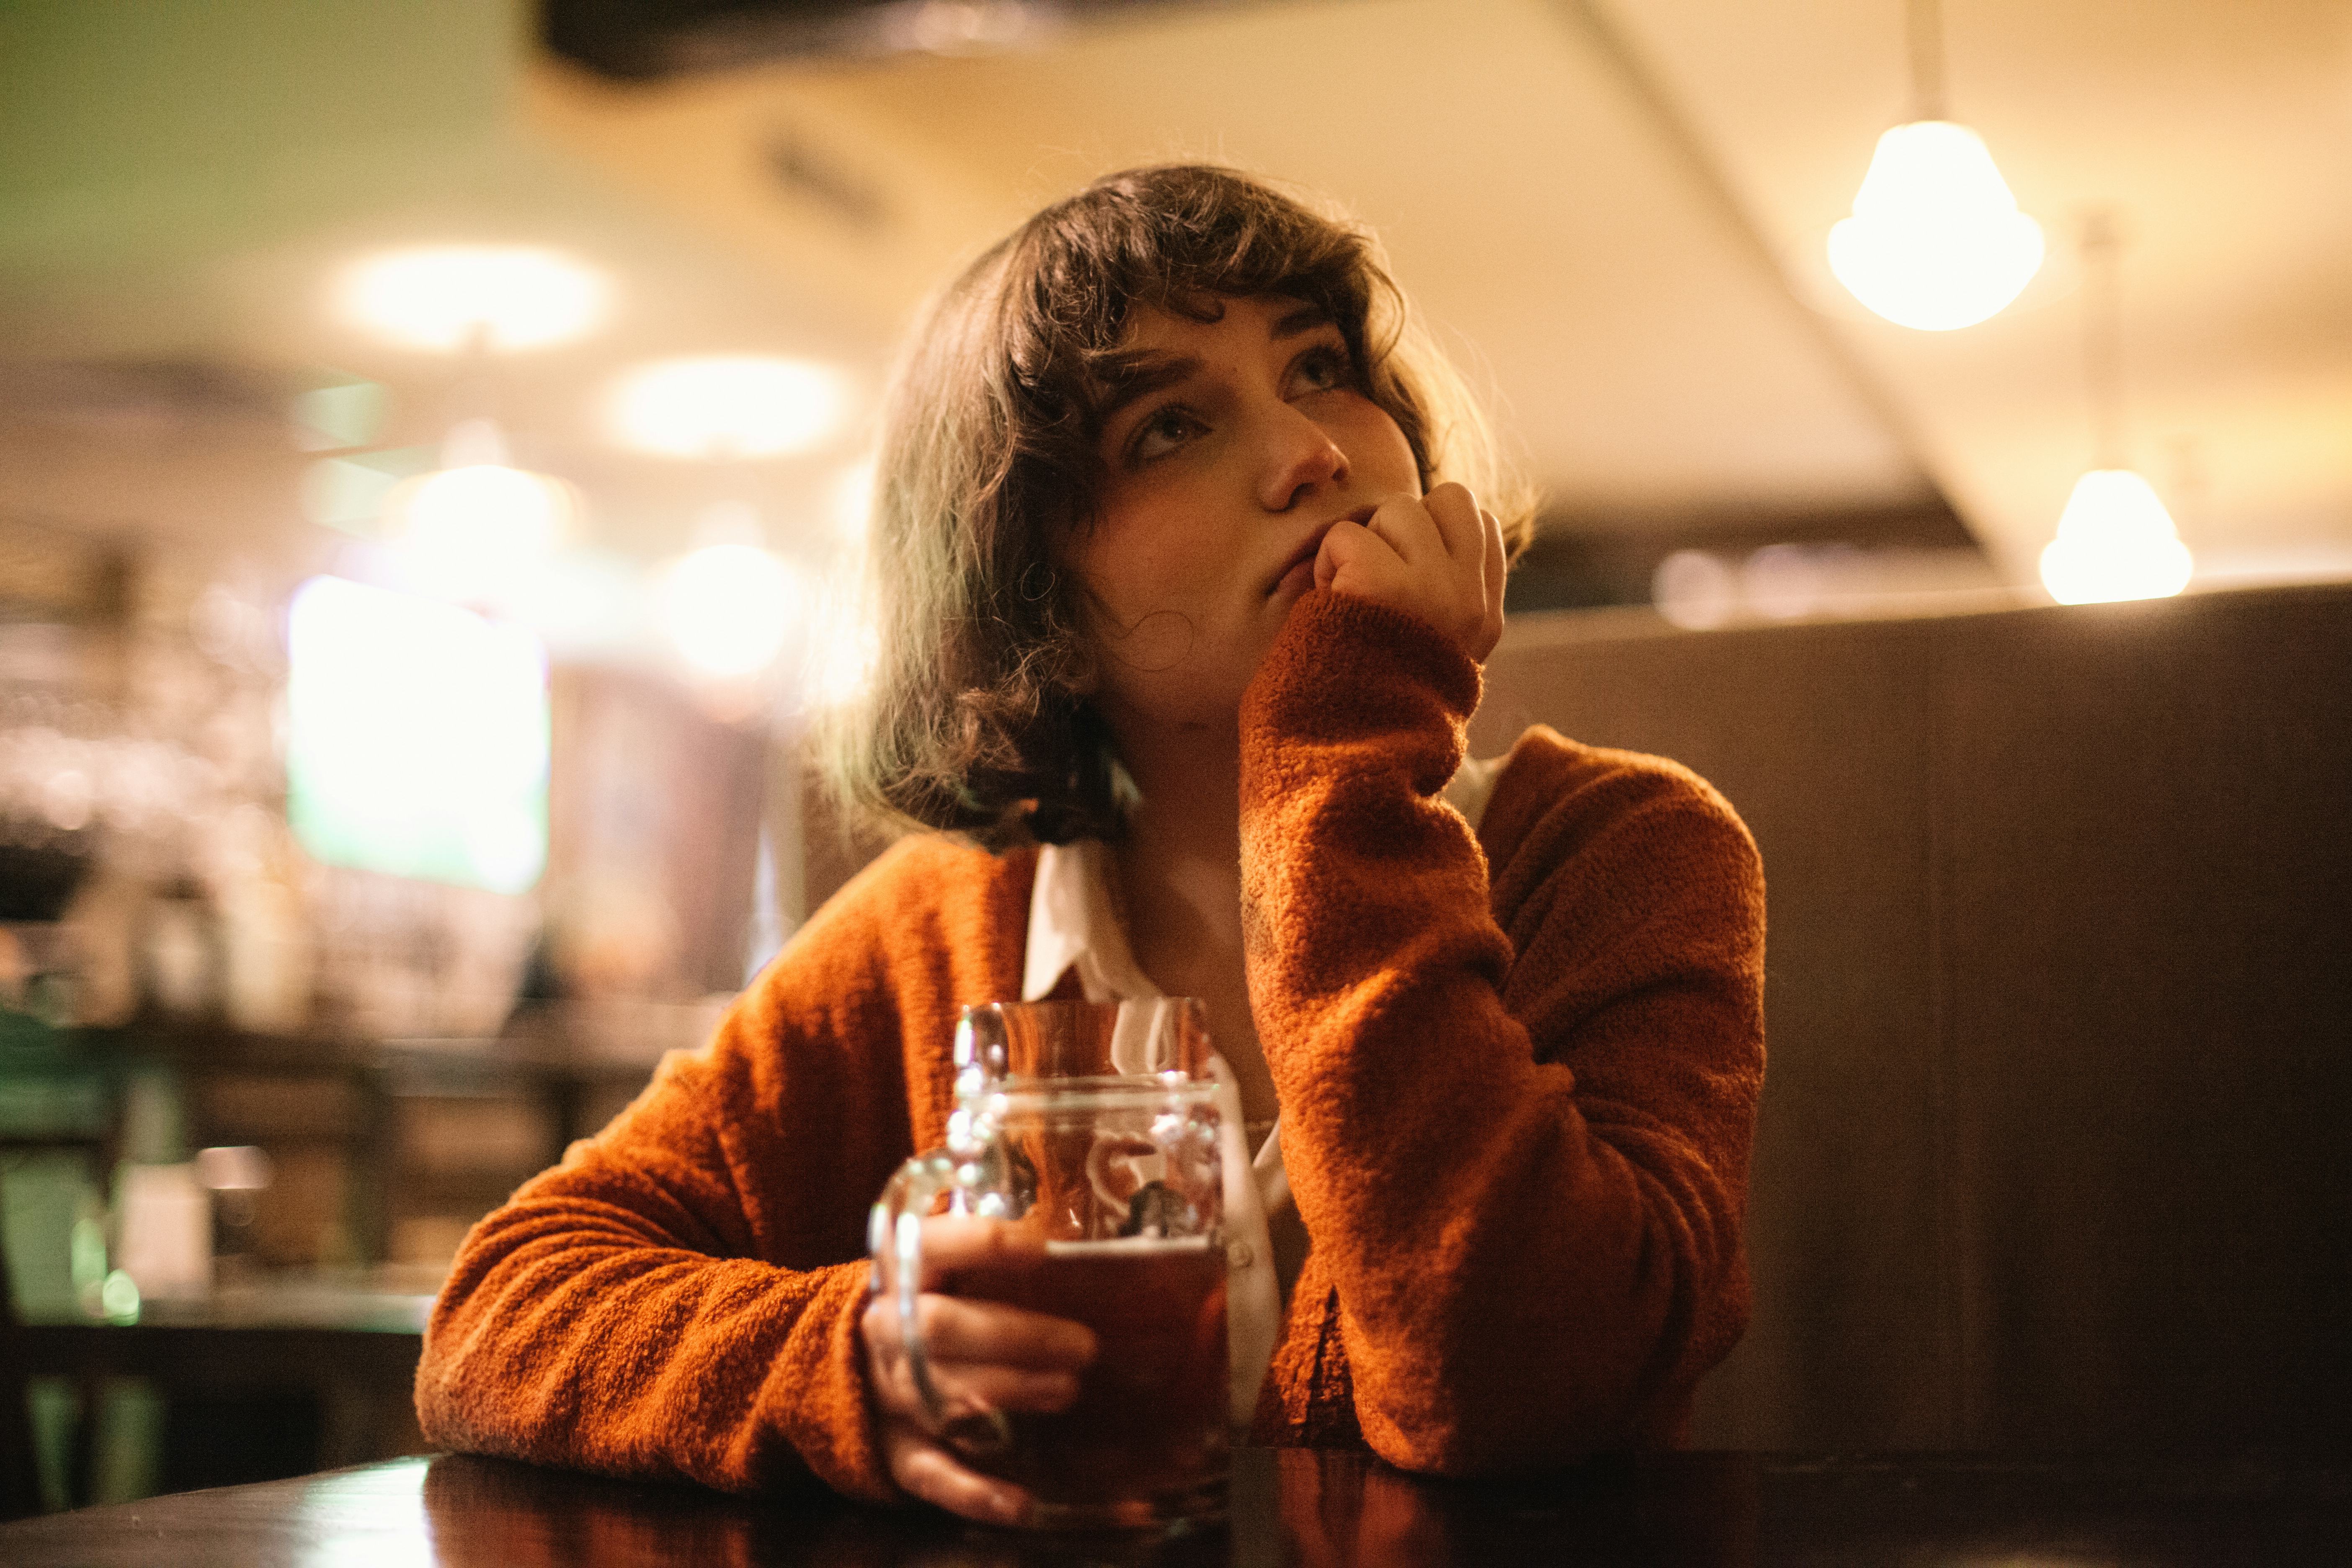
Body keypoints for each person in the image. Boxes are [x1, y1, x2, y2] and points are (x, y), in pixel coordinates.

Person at [414, 165, 1765, 1526]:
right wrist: (858, 1362)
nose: (1314, 453)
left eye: (1320, 366)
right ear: (1027, 583)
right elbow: (501, 1309)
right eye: (1171, 426)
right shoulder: (935, 932)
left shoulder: (1624, 854)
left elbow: (1512, 1382)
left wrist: (1345, 754)